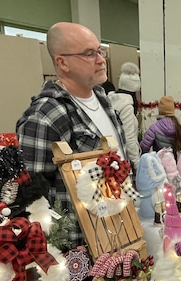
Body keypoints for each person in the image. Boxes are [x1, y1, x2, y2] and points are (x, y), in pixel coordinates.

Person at [16, 22, 128, 247]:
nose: (101, 59)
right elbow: (31, 196)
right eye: (89, 54)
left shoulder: (102, 98)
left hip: (120, 229)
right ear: (62, 62)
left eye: (99, 50)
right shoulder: (45, 116)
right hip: (81, 246)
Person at [108, 62, 141, 171]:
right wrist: (137, 162)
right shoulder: (127, 107)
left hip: (111, 155)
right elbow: (129, 137)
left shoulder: (110, 101)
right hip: (123, 158)